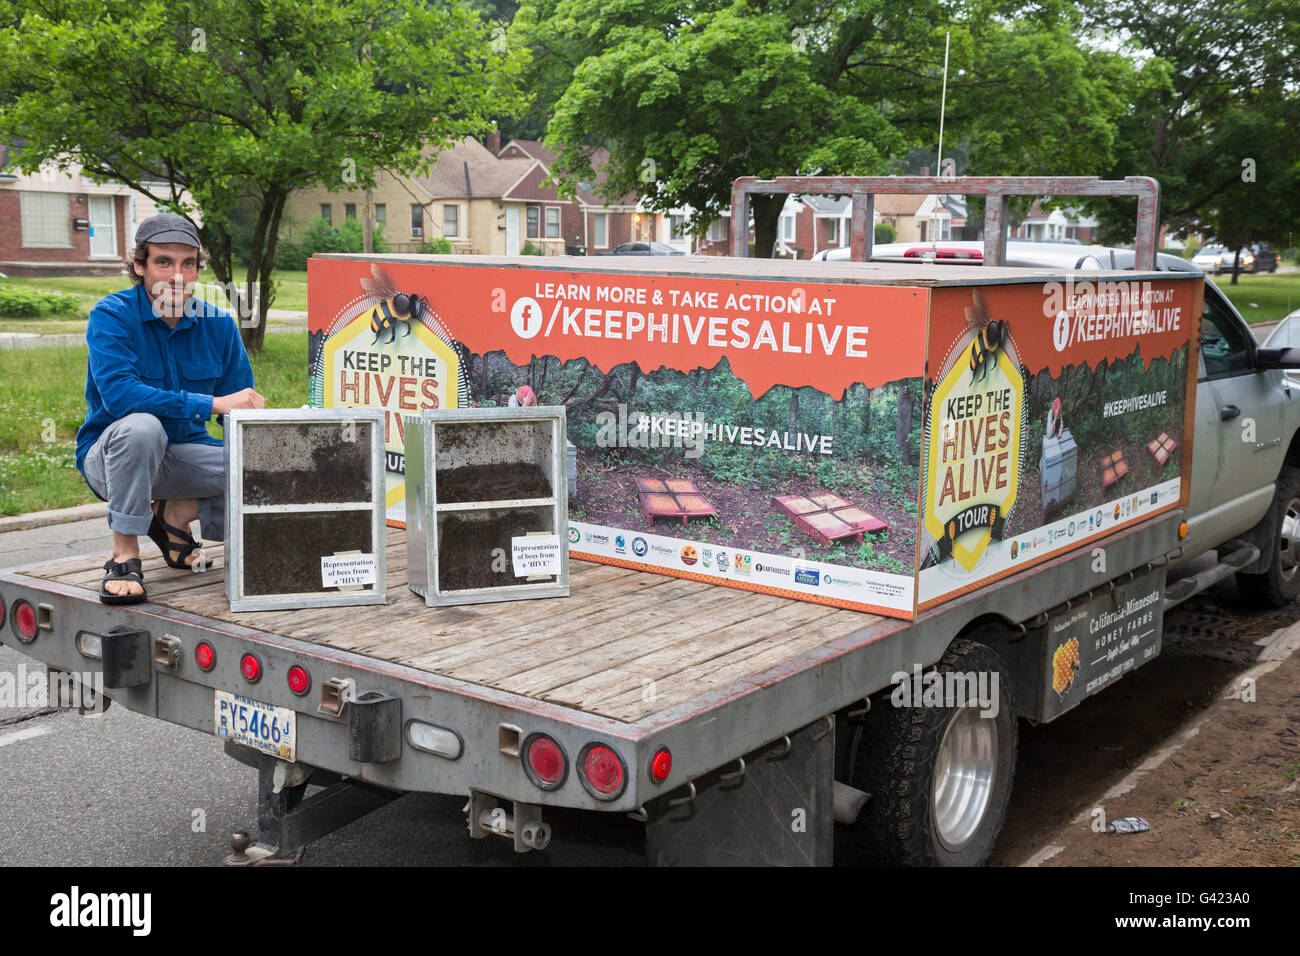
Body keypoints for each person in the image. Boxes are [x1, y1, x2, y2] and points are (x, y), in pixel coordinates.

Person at [76, 213, 266, 604]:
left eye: (187, 263)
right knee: (142, 427)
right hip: (112, 459)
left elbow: (239, 410)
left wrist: (256, 420)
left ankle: (175, 516)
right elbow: (122, 398)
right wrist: (212, 403)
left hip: (184, 458)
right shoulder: (112, 316)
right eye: (163, 261)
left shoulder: (218, 324)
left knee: (263, 463)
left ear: (198, 268)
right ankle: (125, 554)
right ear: (139, 265)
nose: (176, 274)